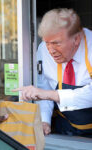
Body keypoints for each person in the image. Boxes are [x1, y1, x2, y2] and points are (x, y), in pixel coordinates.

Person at [13, 8, 92, 137]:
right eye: (47, 42)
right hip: (64, 129)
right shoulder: (43, 50)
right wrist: (45, 120)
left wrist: (49, 94)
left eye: (56, 43)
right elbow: (44, 88)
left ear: (76, 39)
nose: (51, 50)